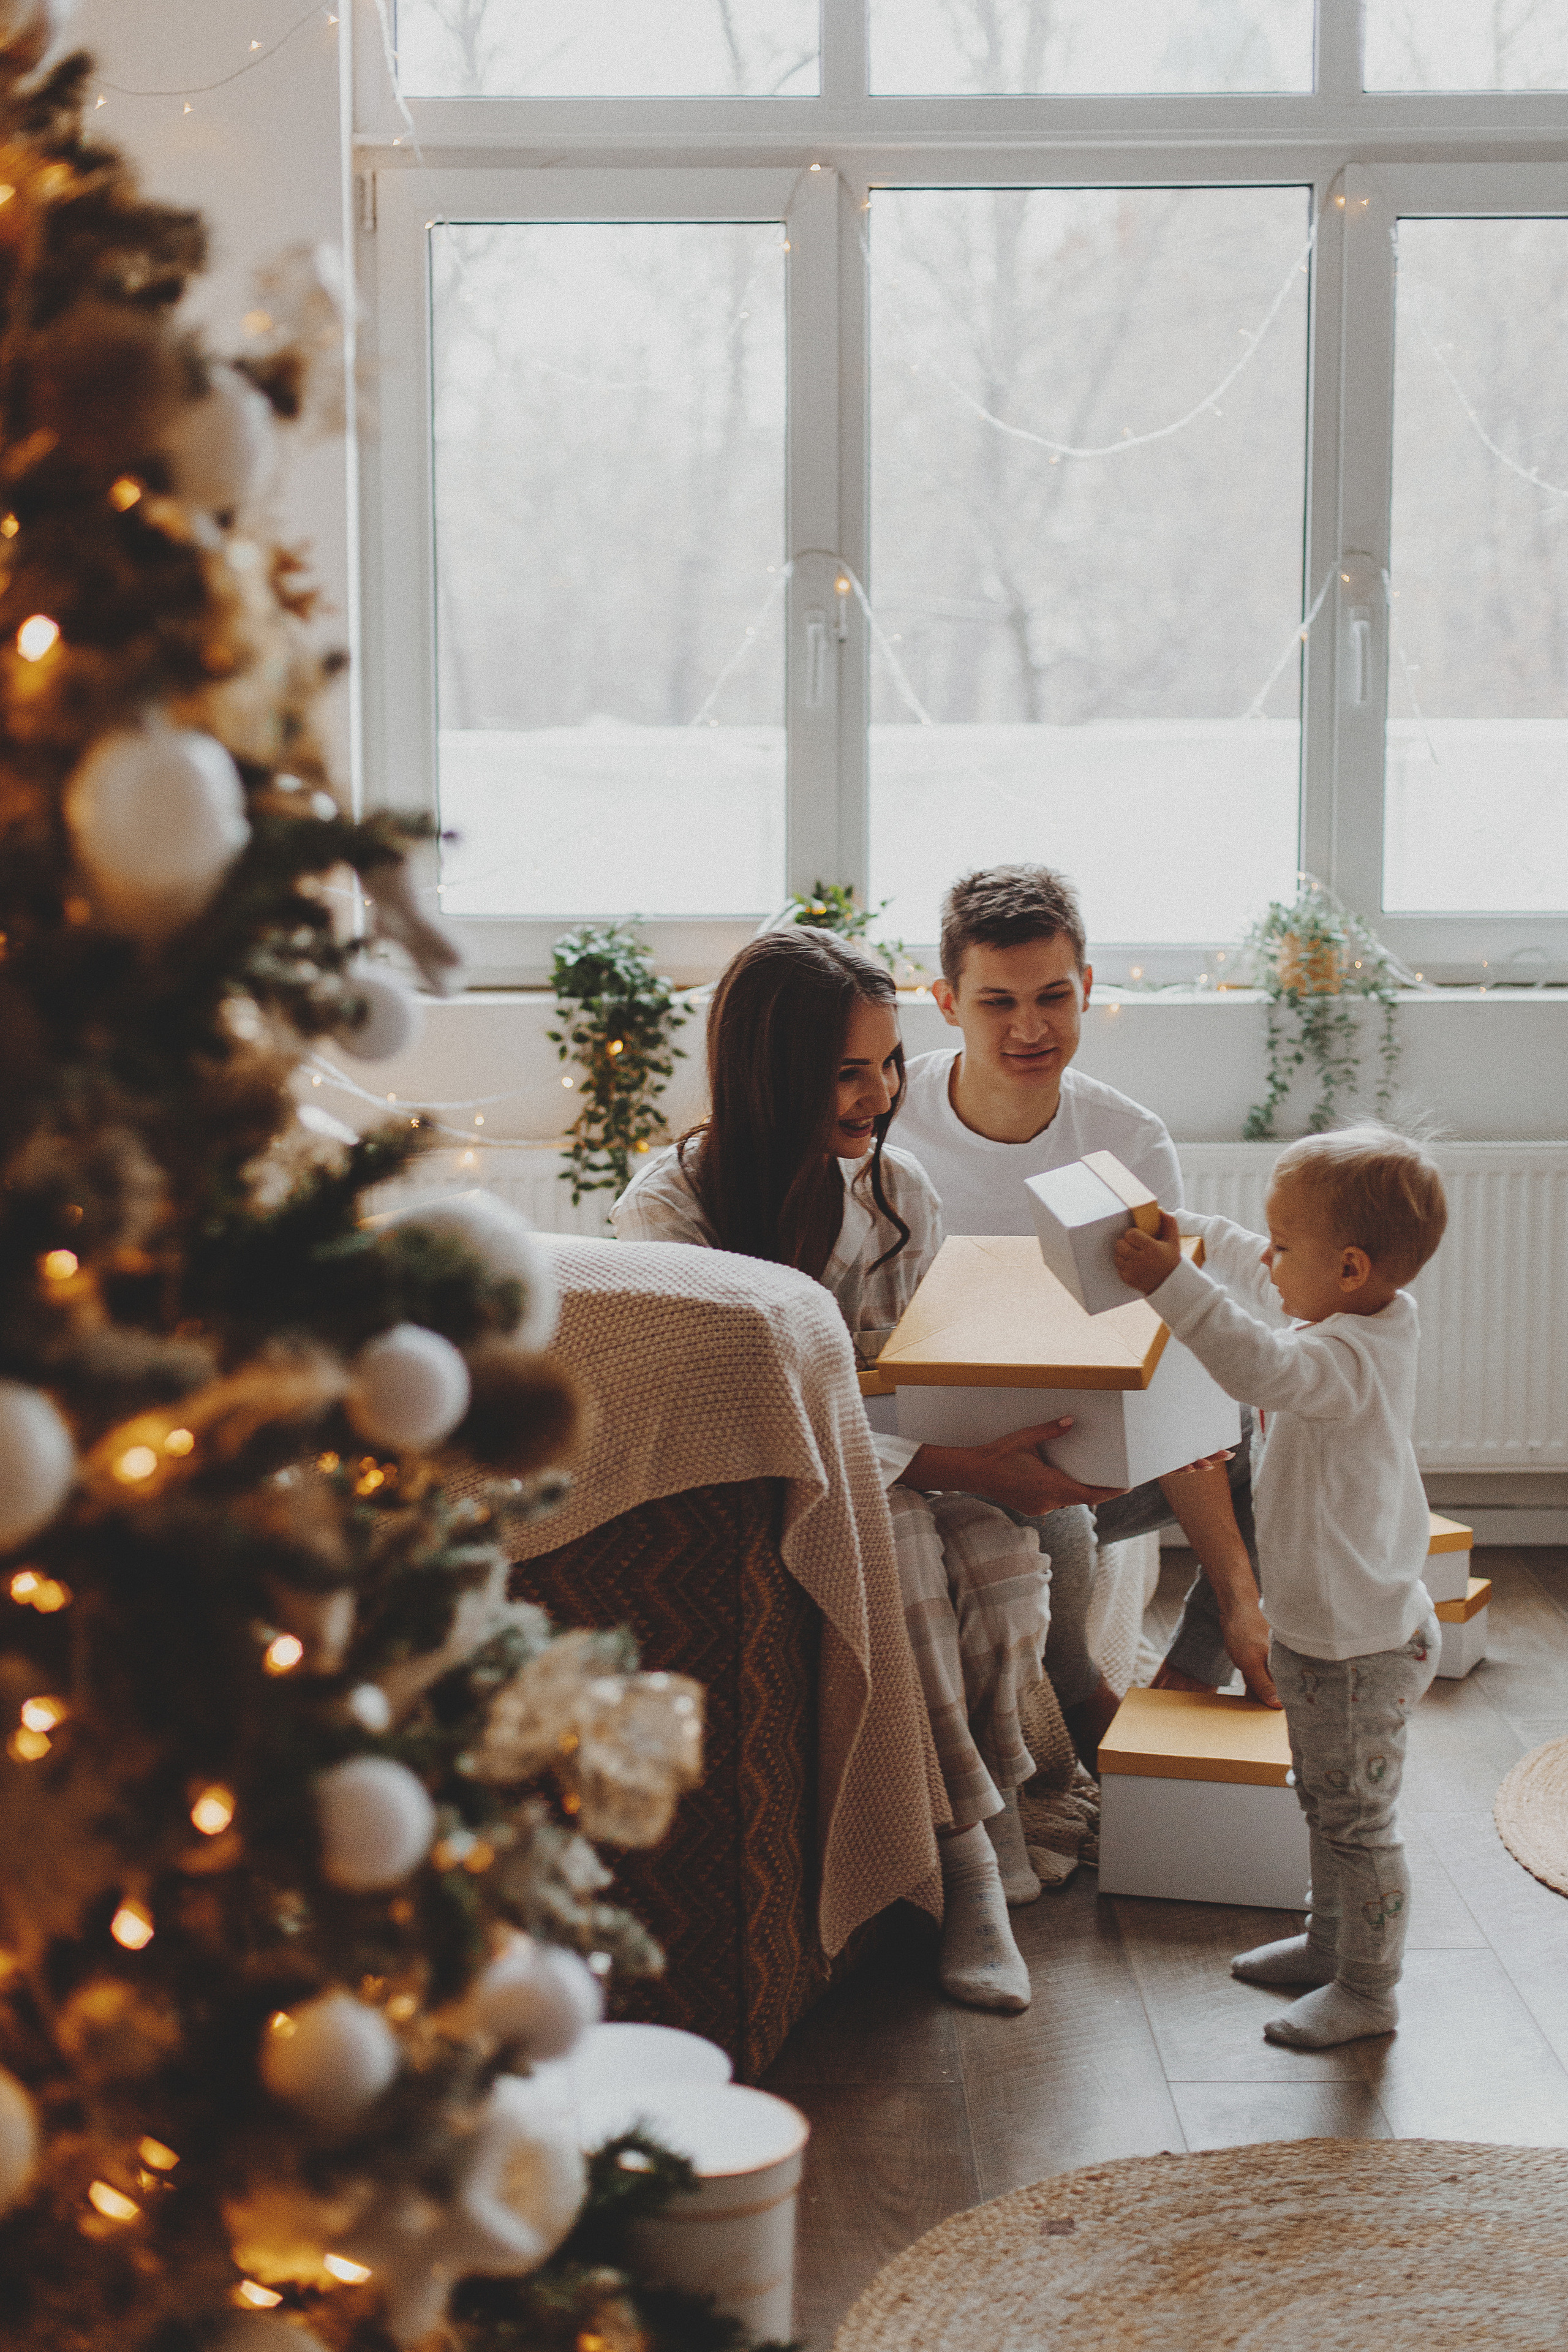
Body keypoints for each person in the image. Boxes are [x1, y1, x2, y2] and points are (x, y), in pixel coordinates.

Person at [612, 927, 1104, 2017]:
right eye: (847, 1071)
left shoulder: (900, 1191)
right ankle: (971, 1863)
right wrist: (942, 1458)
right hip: (752, 1482)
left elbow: (916, 1370)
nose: (880, 1093)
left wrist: (999, 1438)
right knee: (910, 1540)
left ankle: (997, 1800)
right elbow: (739, 1419)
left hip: (893, 1458)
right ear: (767, 1070)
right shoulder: (670, 1213)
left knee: (995, 1537)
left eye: (888, 1065)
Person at [892, 865, 1276, 1735]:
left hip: (1091, 1447)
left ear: (1088, 992)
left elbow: (1171, 1356)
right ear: (947, 1003)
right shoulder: (890, 1118)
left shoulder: (1128, 1137)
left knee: (1279, 1435)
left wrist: (1238, 1597)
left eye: (1053, 998)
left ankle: (1188, 1676)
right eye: (997, 1003)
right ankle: (1077, 1706)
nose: (1030, 1028)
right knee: (1050, 1536)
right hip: (947, 1447)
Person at [1114, 1125, 1447, 2049]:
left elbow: (1253, 1361)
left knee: (1357, 1822)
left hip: (1359, 1648)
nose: (1267, 1257)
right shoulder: (1355, 1308)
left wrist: (1167, 1282)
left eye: (1283, 1243)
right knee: (1322, 1798)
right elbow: (1259, 1275)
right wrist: (1182, 1230)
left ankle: (1370, 1989)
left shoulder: (1346, 1362)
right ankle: (1329, 1940)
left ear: (1347, 1267)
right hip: (1320, 1630)